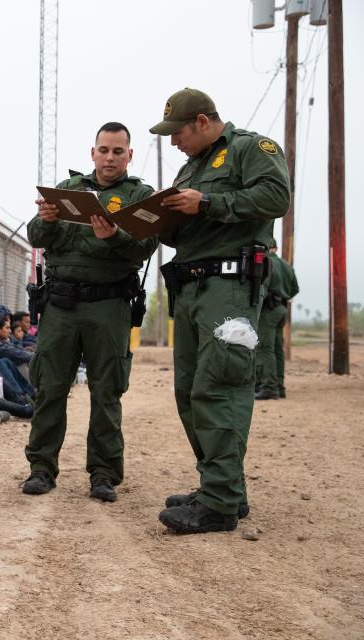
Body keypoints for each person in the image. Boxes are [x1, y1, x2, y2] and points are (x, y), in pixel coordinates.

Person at [151, 88, 289, 533]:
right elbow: (194, 233)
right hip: (192, 286)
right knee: (190, 391)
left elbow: (274, 198)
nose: (173, 142)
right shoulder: (192, 166)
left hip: (228, 288)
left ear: (205, 121)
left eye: (178, 132)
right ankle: (222, 486)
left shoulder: (251, 148)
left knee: (220, 387)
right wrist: (158, 221)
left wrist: (207, 202)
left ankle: (219, 504)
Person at [22, 122, 158, 504]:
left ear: (129, 154)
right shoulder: (68, 192)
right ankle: (41, 468)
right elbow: (35, 236)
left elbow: (145, 246)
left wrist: (113, 236)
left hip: (109, 306)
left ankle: (103, 473)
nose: (110, 157)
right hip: (61, 305)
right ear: (92, 152)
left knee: (107, 390)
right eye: (104, 150)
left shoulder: (139, 196)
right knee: (50, 387)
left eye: (118, 151)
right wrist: (46, 220)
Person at [255, 237, 299, 400]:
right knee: (277, 348)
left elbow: (261, 288)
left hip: (268, 309)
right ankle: (279, 386)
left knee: (265, 348)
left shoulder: (266, 262)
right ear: (277, 247)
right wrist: (283, 295)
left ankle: (269, 387)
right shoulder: (286, 265)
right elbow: (295, 288)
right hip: (281, 309)